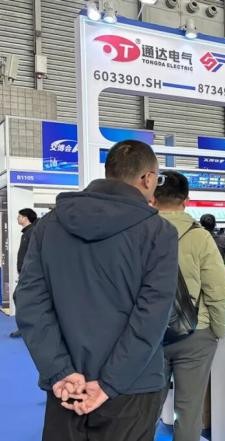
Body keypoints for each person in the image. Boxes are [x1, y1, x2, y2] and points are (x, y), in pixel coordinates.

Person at [15, 140, 178, 441]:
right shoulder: (159, 233)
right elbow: (152, 316)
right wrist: (110, 383)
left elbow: (29, 302)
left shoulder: (48, 226)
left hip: (68, 385)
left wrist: (60, 371)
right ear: (147, 178)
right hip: (132, 385)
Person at [153, 171, 225, 441]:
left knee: (144, 407)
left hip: (148, 333)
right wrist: (218, 330)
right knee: (189, 410)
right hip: (195, 331)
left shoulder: (139, 231)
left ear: (153, 197)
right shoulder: (199, 236)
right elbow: (218, 288)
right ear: (186, 199)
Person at [9, 208, 38, 338]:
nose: (17, 218)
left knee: (19, 297)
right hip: (25, 273)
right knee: (21, 298)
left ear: (25, 218)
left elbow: (32, 254)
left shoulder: (32, 233)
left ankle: (26, 327)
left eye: (19, 216)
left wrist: (27, 271)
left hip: (29, 274)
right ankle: (27, 327)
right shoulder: (27, 233)